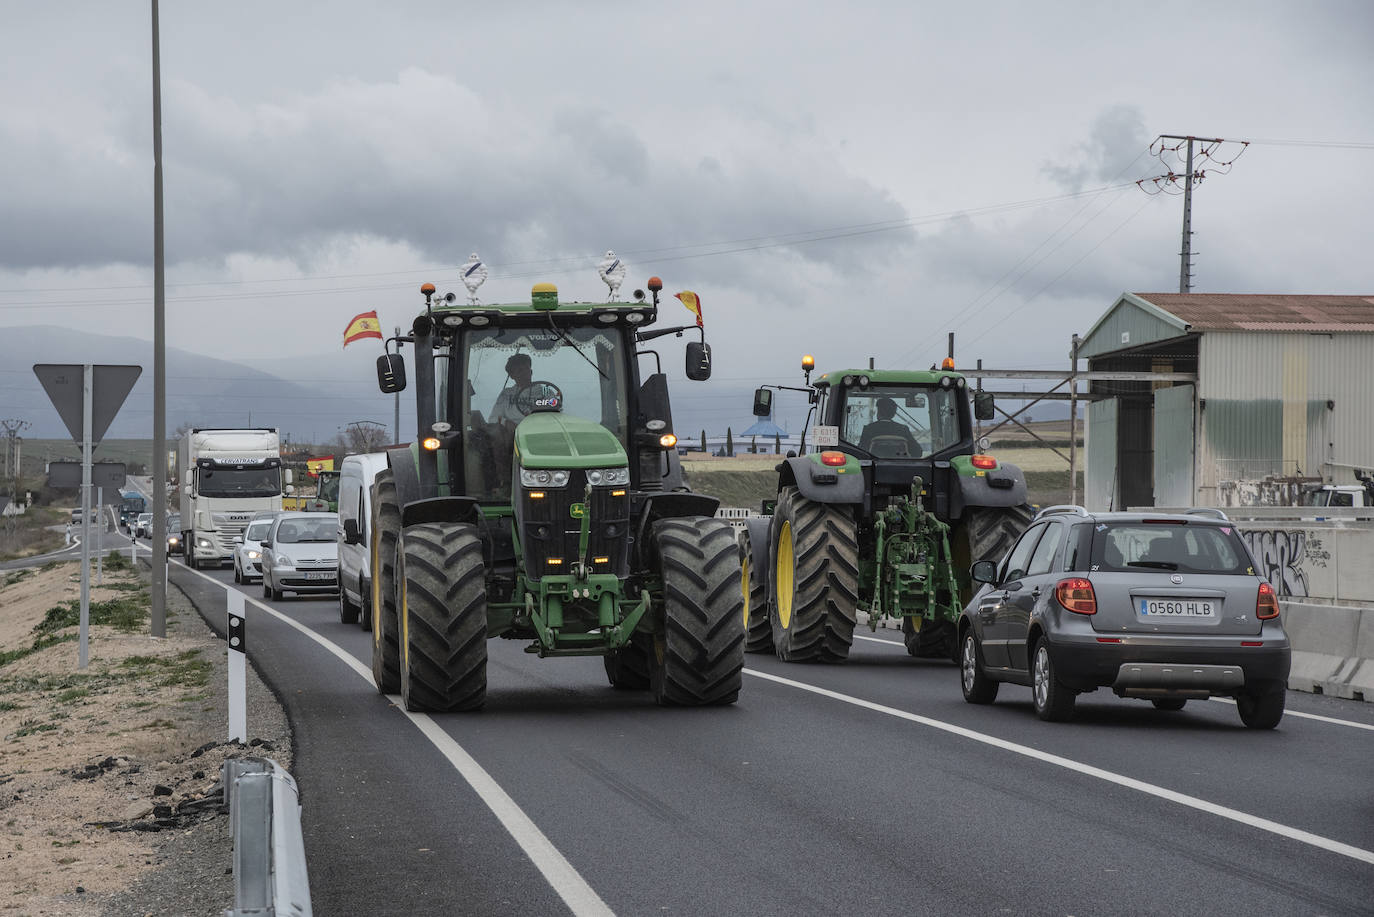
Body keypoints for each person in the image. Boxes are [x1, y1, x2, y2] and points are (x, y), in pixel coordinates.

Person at [491, 353, 534, 425]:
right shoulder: (506, 394)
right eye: (520, 370)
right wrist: (505, 422)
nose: (525, 373)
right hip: (513, 434)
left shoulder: (545, 392)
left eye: (527, 368)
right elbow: (493, 418)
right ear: (512, 376)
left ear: (531, 371)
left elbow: (556, 411)